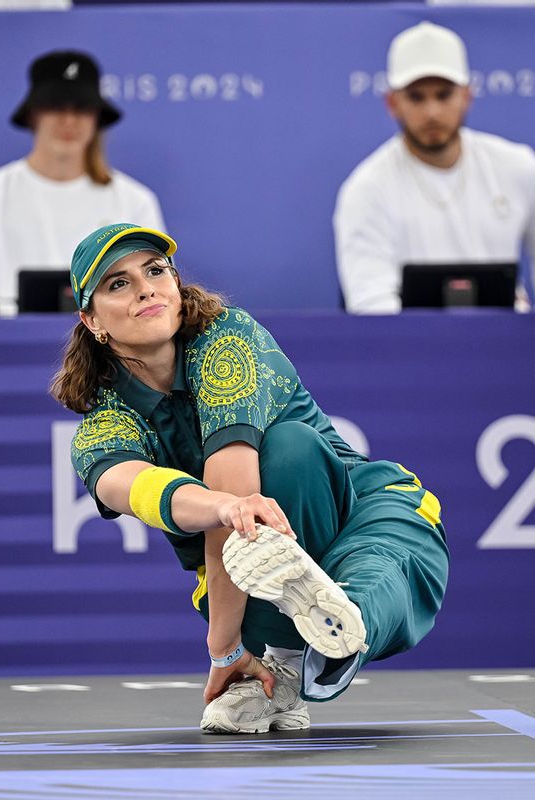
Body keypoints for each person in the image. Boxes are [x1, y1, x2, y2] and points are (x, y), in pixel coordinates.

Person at [51, 222, 449, 734]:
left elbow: (239, 494)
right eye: (118, 283)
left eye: (154, 270)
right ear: (91, 320)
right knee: (246, 536)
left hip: (372, 516)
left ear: (174, 284)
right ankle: (286, 659)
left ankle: (323, 634)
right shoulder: (101, 428)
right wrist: (228, 634)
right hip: (240, 583)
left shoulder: (225, 339)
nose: (146, 287)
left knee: (292, 453)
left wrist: (222, 650)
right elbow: (134, 488)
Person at [333, 21, 535, 313]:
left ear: (467, 96)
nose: (432, 112)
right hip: (411, 354)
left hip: (511, 351)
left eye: (444, 94)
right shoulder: (366, 189)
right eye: (416, 97)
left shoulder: (519, 167)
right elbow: (370, 300)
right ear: (392, 103)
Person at [0, 51, 164, 318]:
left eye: (81, 108)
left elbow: (153, 292)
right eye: (56, 107)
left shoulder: (135, 201)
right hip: (10, 354)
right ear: (32, 115)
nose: (69, 120)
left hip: (112, 353)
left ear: (97, 119)